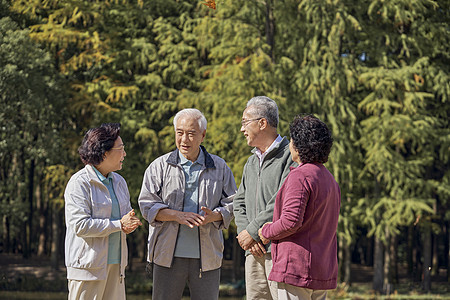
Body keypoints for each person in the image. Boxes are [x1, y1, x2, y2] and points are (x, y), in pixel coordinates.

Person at [138, 108, 237, 300]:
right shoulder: (159, 166)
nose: (184, 140)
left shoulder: (220, 167)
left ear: (203, 135)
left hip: (207, 257)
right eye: (180, 133)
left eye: (191, 134)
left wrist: (214, 216)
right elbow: (146, 205)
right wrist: (177, 216)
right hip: (166, 256)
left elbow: (233, 203)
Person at [258, 115, 341, 300]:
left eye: (292, 140)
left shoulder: (300, 176)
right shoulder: (330, 180)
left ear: (299, 145)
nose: (289, 145)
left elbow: (290, 221)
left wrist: (266, 231)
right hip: (321, 268)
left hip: (297, 267)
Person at [64, 123, 142, 300]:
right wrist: (119, 224)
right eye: (121, 149)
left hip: (117, 265)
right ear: (104, 152)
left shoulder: (120, 181)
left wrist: (130, 224)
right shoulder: (79, 183)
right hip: (87, 268)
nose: (125, 154)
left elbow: (125, 217)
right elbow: (80, 225)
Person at [233, 96, 297, 300]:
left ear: (262, 123)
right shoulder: (250, 162)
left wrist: (252, 232)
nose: (242, 129)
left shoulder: (291, 156)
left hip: (279, 252)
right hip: (253, 252)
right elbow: (239, 202)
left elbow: (282, 200)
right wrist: (246, 235)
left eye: (245, 122)